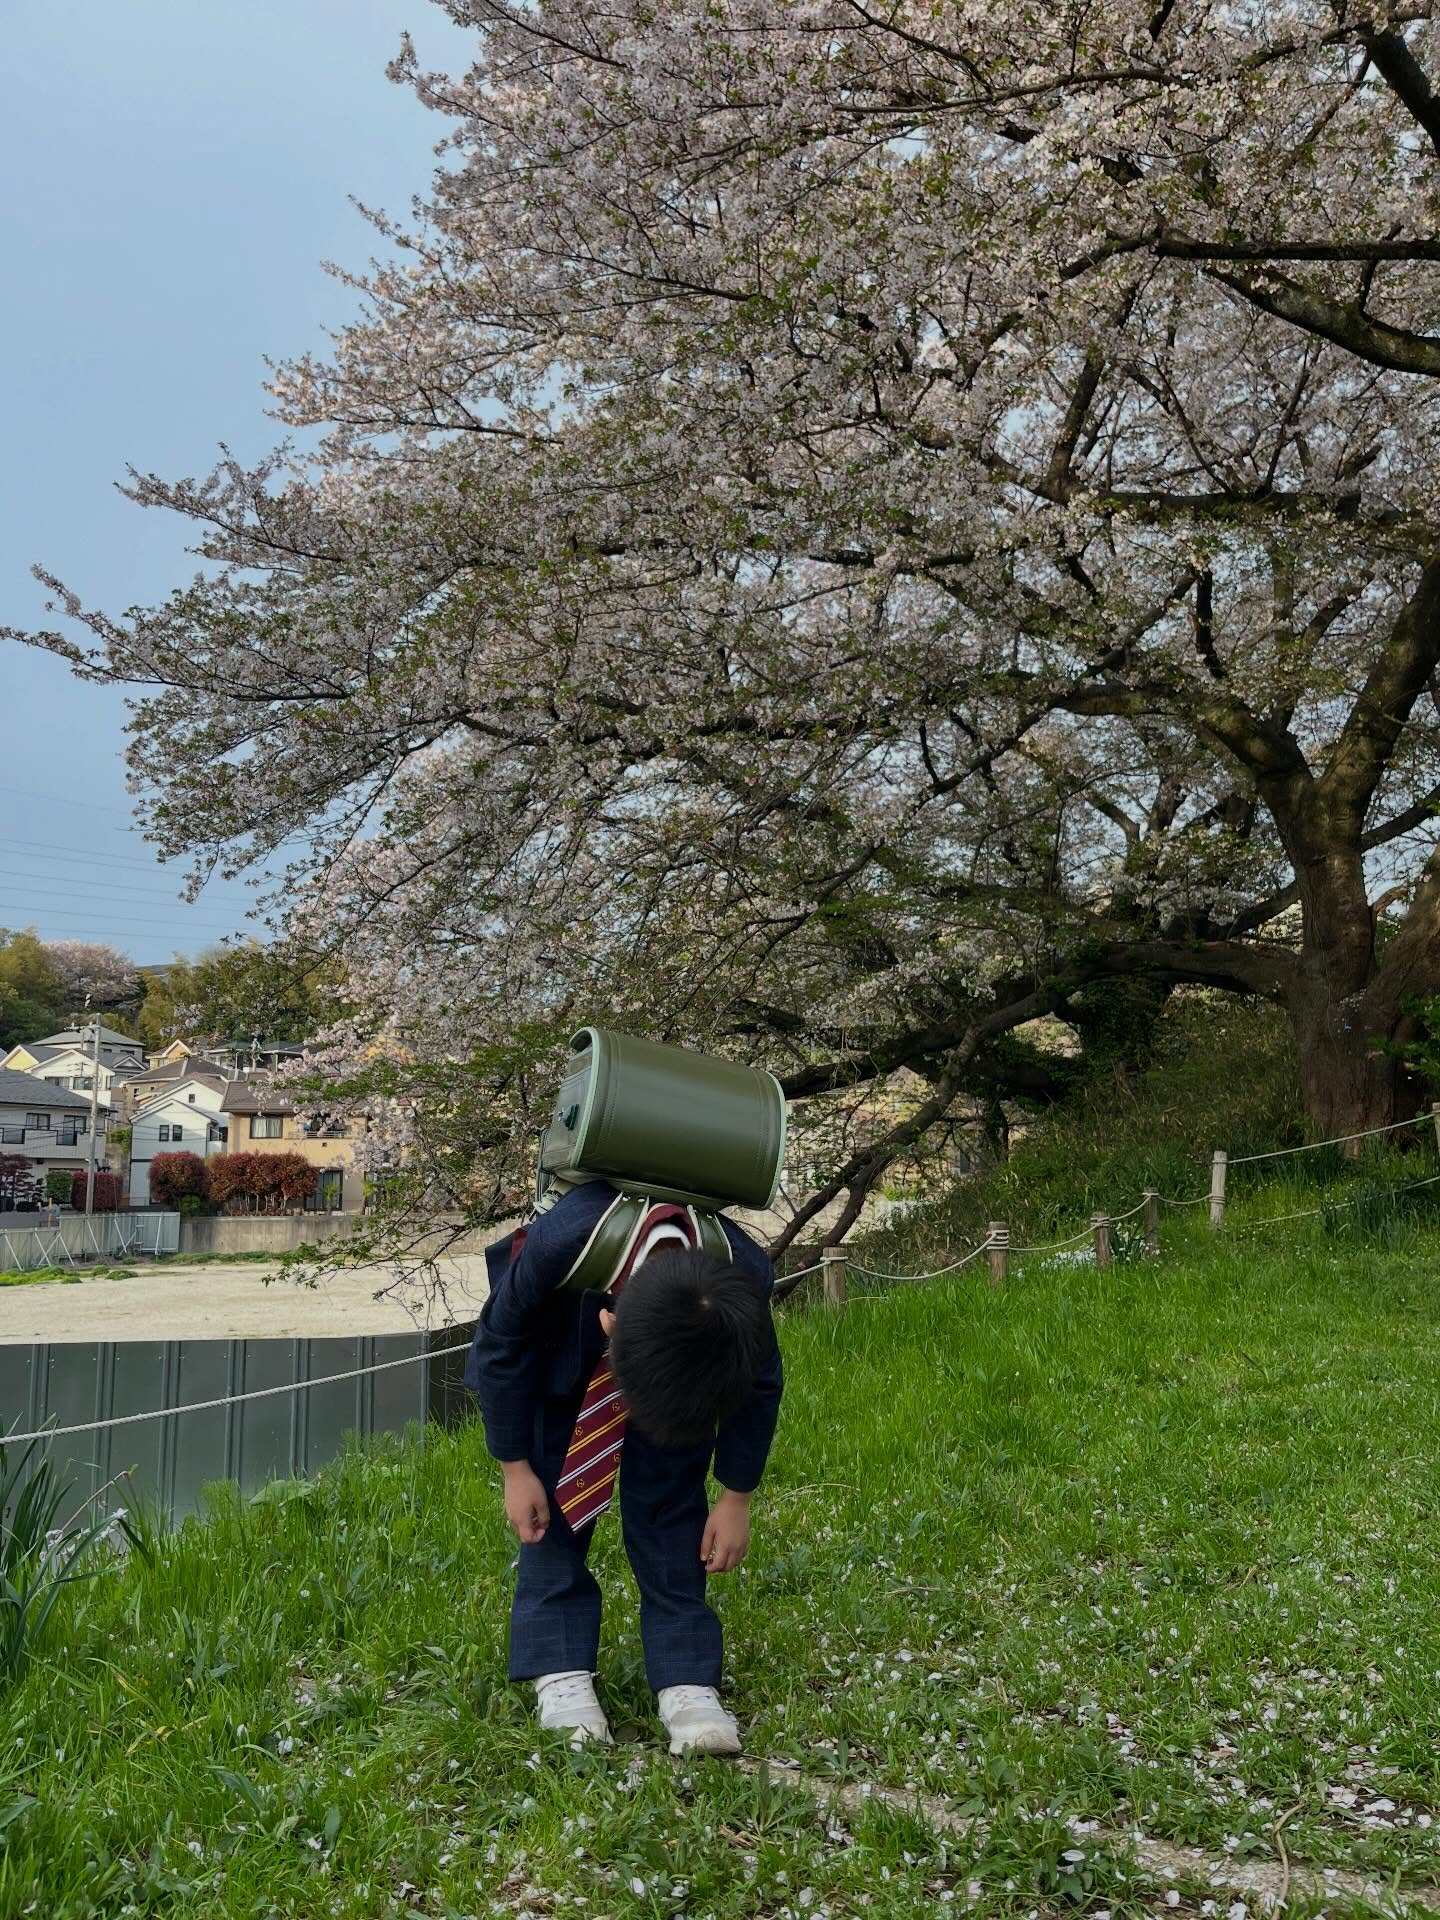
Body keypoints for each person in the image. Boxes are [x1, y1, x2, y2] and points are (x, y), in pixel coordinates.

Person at [465, 1178, 783, 1753]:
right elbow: (500, 1344)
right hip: (558, 1361)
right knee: (554, 1515)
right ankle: (561, 1672)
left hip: (677, 1372)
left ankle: (687, 1680)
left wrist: (737, 1496)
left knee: (671, 1512)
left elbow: (761, 1385)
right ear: (609, 1324)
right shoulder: (563, 1240)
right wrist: (514, 1466)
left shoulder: (745, 1276)